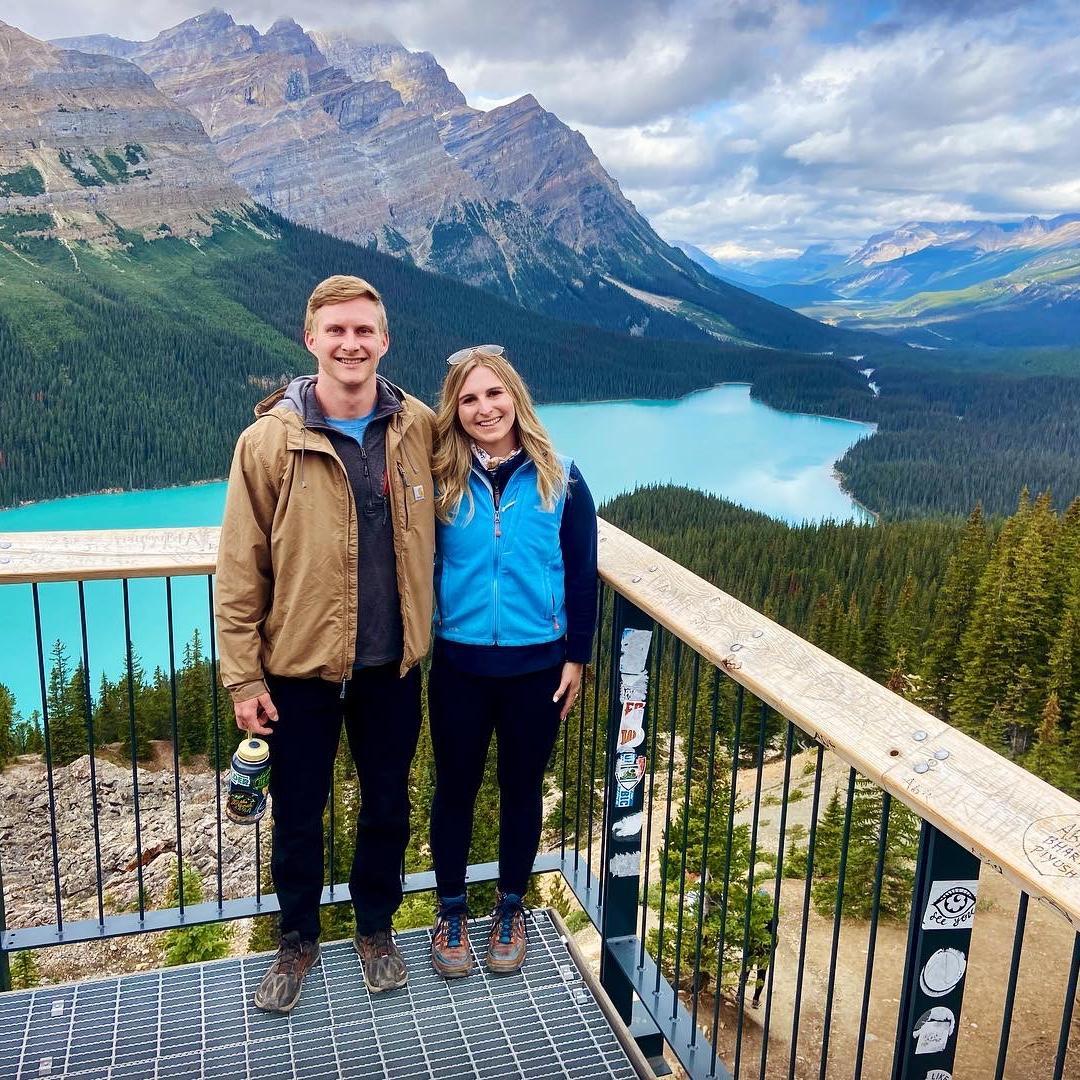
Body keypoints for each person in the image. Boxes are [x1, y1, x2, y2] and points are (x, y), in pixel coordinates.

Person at [214, 275, 435, 1012]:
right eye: (335, 331)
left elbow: (492, 467)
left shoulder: (419, 428)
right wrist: (244, 680)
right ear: (310, 341)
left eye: (364, 331)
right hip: (299, 672)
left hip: (390, 666)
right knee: (297, 812)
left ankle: (376, 929)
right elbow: (240, 568)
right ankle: (296, 940)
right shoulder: (268, 441)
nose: (351, 344)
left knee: (386, 808)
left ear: (385, 341)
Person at [426, 345, 598, 977]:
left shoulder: (562, 477)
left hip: (538, 667)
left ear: (516, 398)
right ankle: (450, 909)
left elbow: (581, 575)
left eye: (494, 394)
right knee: (456, 791)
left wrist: (575, 655)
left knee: (521, 790)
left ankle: (510, 905)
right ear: (455, 410)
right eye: (469, 399)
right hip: (459, 666)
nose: (484, 408)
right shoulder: (439, 477)